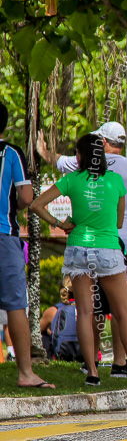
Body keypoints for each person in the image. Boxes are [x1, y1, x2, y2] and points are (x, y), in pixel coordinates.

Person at [29, 133, 127, 387]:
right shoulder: (116, 181)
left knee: (86, 313)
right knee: (123, 313)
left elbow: (36, 205)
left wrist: (61, 224)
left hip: (79, 248)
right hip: (109, 250)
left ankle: (92, 372)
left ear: (80, 156)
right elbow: (120, 221)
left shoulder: (71, 180)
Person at [0, 104, 56, 389]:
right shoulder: (11, 154)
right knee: (15, 306)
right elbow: (25, 195)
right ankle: (25, 373)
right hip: (4, 234)